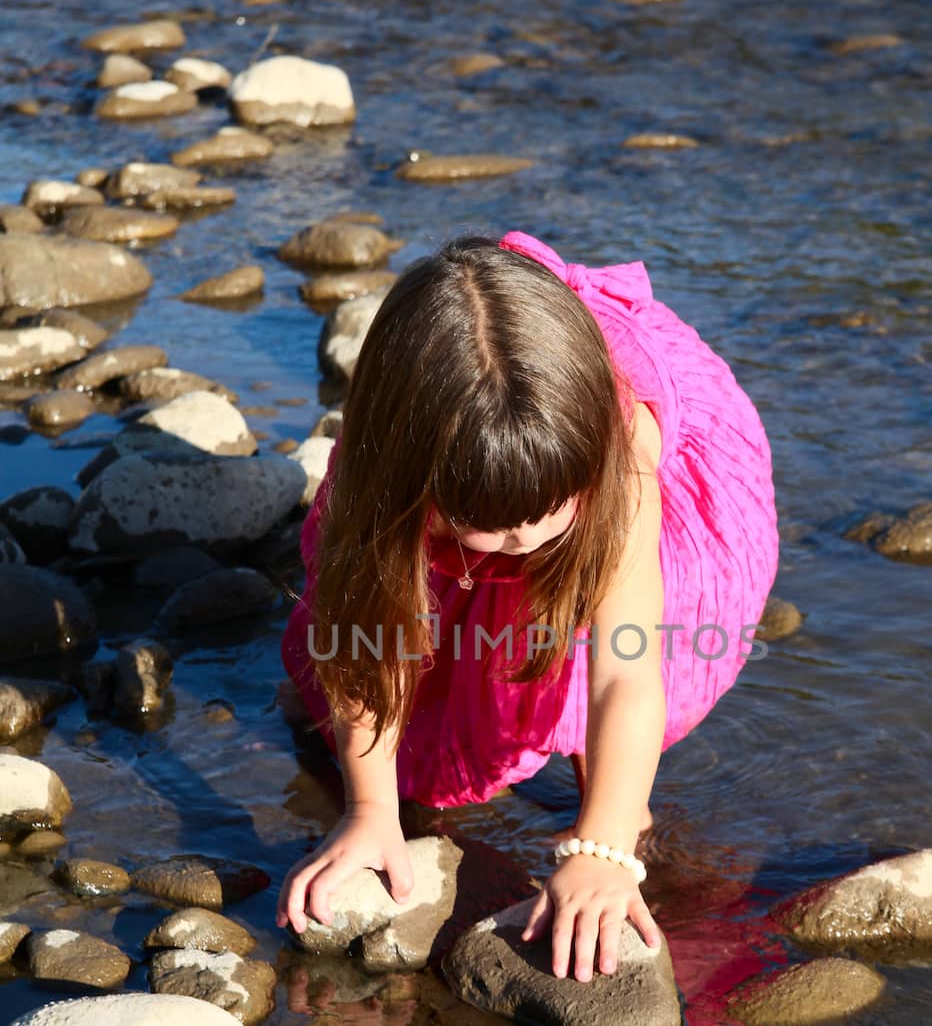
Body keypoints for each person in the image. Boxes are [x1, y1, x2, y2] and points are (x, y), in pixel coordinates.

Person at [277, 229, 779, 981]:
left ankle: (611, 796)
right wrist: (370, 810)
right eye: (494, 525)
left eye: (548, 512)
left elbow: (626, 672)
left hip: (615, 481)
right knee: (364, 673)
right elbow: (364, 644)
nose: (526, 538)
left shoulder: (614, 458)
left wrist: (603, 848)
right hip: (456, 489)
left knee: (588, 665)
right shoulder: (380, 485)